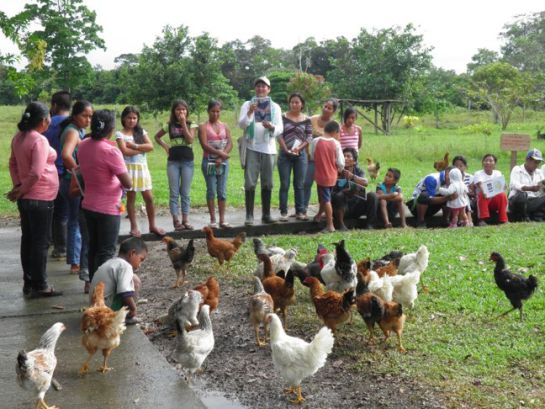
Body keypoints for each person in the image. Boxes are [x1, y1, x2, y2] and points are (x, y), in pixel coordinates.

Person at [8, 102, 62, 297]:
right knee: (40, 242)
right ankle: (40, 284)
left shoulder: (18, 138)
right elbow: (36, 173)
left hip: (27, 198)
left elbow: (12, 164)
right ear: (43, 120)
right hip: (40, 197)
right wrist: (21, 189)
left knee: (28, 240)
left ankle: (29, 282)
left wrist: (18, 187)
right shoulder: (39, 140)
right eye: (48, 118)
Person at [78, 110, 132, 282]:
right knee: (106, 251)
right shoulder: (111, 151)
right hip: (108, 208)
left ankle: (92, 285)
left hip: (88, 205)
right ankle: (103, 291)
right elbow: (128, 182)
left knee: (93, 247)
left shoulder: (84, 144)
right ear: (110, 128)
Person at [238, 76, 283, 225]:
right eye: (258, 86)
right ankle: (249, 216)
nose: (260, 88)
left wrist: (272, 128)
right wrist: (250, 112)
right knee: (250, 182)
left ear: (269, 89)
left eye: (264, 86)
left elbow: (280, 128)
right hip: (252, 147)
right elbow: (242, 125)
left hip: (269, 148)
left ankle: (266, 214)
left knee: (268, 183)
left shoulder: (275, 107)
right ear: (254, 88)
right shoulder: (247, 104)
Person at [116, 106, 165, 237]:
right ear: (123, 119)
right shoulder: (119, 134)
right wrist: (142, 149)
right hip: (129, 169)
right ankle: (134, 227)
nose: (132, 120)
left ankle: (152, 225)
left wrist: (134, 146)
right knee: (131, 199)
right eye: (129, 118)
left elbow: (151, 146)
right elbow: (124, 151)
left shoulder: (141, 132)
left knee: (149, 197)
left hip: (142, 169)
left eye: (134, 118)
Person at [59, 100, 93, 276]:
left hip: (67, 180)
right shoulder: (72, 131)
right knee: (76, 222)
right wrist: (79, 175)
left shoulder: (77, 130)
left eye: (90, 116)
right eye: (84, 116)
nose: (88, 120)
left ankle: (75, 259)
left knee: (76, 221)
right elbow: (66, 155)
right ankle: (75, 262)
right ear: (75, 115)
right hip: (69, 181)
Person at [155, 100, 197, 231]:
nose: (181, 112)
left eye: (183, 109)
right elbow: (157, 137)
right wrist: (165, 146)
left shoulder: (192, 124)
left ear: (187, 111)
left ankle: (185, 220)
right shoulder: (169, 125)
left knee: (185, 192)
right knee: (174, 193)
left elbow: (190, 139)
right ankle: (176, 221)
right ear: (174, 111)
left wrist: (184, 123)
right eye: (178, 109)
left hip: (187, 161)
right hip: (173, 161)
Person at [88, 237, 147, 325]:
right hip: (105, 313)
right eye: (141, 259)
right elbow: (125, 291)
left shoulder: (111, 262)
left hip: (94, 311)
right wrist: (133, 309)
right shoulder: (125, 266)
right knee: (135, 281)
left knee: (132, 278)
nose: (140, 265)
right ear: (132, 253)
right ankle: (125, 317)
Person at [44, 91, 71, 260]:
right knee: (64, 213)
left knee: (51, 212)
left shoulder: (46, 124)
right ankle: (62, 248)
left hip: (48, 173)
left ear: (54, 105)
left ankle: (52, 243)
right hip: (67, 173)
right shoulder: (74, 126)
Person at [198, 100, 233, 228]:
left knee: (222, 191)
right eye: (213, 111)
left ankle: (222, 219)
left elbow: (230, 143)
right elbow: (204, 145)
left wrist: (222, 156)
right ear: (208, 111)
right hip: (209, 162)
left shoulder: (225, 126)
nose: (215, 114)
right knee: (211, 190)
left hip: (222, 163)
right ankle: (213, 219)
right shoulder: (203, 126)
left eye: (218, 111)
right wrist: (220, 154)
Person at [277, 93, 312, 221]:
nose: (294, 104)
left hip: (300, 155)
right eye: (292, 102)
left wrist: (300, 148)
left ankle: (300, 211)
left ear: (302, 104)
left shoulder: (307, 119)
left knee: (299, 184)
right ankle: (283, 212)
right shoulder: (283, 118)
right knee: (284, 184)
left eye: (297, 102)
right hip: (284, 155)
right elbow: (278, 134)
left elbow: (309, 137)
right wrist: (285, 149)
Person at [304, 98, 339, 217]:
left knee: (323, 187)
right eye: (325, 106)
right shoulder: (312, 119)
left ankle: (322, 210)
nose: (326, 109)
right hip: (311, 159)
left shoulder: (334, 125)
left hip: (326, 162)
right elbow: (306, 137)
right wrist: (307, 153)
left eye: (329, 108)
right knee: (306, 183)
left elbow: (336, 143)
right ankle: (303, 209)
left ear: (333, 111)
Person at [332, 147, 378, 231]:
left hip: (356, 206)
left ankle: (370, 225)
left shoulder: (358, 171)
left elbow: (365, 182)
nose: (345, 158)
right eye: (344, 156)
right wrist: (343, 191)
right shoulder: (335, 171)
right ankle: (340, 225)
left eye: (348, 156)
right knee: (339, 195)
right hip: (341, 207)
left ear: (354, 161)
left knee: (372, 195)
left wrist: (352, 177)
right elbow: (331, 191)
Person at [310, 121, 345, 233]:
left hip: (320, 175)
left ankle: (330, 225)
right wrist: (338, 169)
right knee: (324, 197)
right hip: (332, 175)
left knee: (326, 199)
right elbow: (341, 162)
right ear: (335, 132)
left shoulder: (316, 141)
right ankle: (320, 214)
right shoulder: (336, 144)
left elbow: (312, 155)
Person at [508, 148, 545, 221]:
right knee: (521, 195)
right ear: (527, 160)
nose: (536, 165)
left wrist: (543, 187)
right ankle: (524, 217)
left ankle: (537, 216)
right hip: (517, 202)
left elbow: (542, 185)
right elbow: (515, 185)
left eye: (538, 162)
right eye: (535, 162)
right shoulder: (517, 169)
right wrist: (530, 188)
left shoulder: (539, 172)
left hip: (533, 200)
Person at [473, 153, 508, 226]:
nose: (488, 162)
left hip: (494, 200)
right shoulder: (478, 173)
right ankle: (482, 220)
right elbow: (480, 185)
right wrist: (485, 192)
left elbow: (501, 186)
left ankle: (503, 219)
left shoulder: (497, 173)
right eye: (486, 160)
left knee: (502, 195)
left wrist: (504, 186)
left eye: (491, 161)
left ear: (494, 164)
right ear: (482, 163)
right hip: (483, 199)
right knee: (483, 193)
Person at [452, 155, 475, 226]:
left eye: (461, 166)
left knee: (464, 197)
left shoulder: (470, 177)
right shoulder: (451, 177)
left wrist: (468, 192)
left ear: (465, 167)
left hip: (468, 198)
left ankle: (466, 220)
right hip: (455, 198)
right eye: (456, 166)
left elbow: (473, 192)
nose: (458, 168)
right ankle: (465, 220)